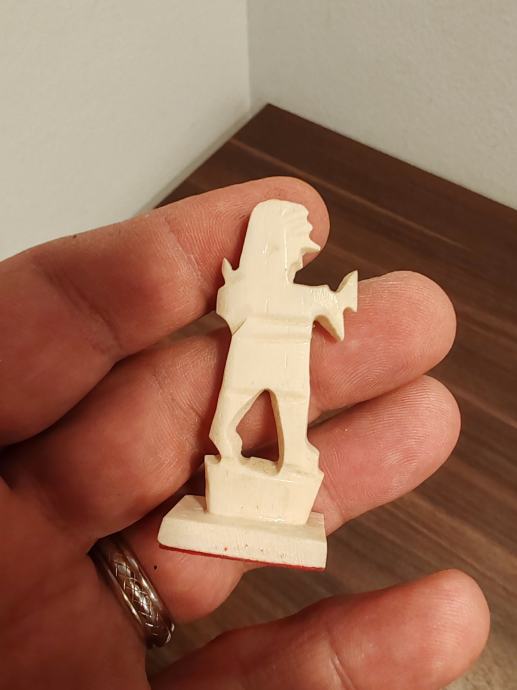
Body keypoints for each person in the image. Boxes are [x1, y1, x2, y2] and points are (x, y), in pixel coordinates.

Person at [0, 177, 489, 689]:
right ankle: (230, 450)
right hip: (255, 353)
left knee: (291, 413)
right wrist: (315, 302)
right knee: (233, 408)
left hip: (287, 357)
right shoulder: (248, 280)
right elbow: (257, 303)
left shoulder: (280, 282)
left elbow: (305, 305)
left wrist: (329, 302)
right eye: (295, 243)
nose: (301, 252)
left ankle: (288, 458)